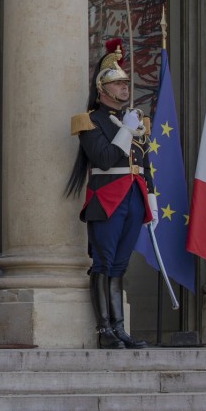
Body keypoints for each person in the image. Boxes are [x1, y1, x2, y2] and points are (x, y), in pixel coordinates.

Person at [65, 39, 159, 349]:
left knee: (120, 265)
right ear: (102, 88)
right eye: (117, 83)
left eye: (125, 83)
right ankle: (104, 329)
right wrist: (126, 130)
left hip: (134, 198)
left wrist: (152, 200)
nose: (124, 87)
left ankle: (120, 328)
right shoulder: (90, 121)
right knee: (103, 263)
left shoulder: (135, 121)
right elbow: (104, 159)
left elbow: (144, 164)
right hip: (106, 200)